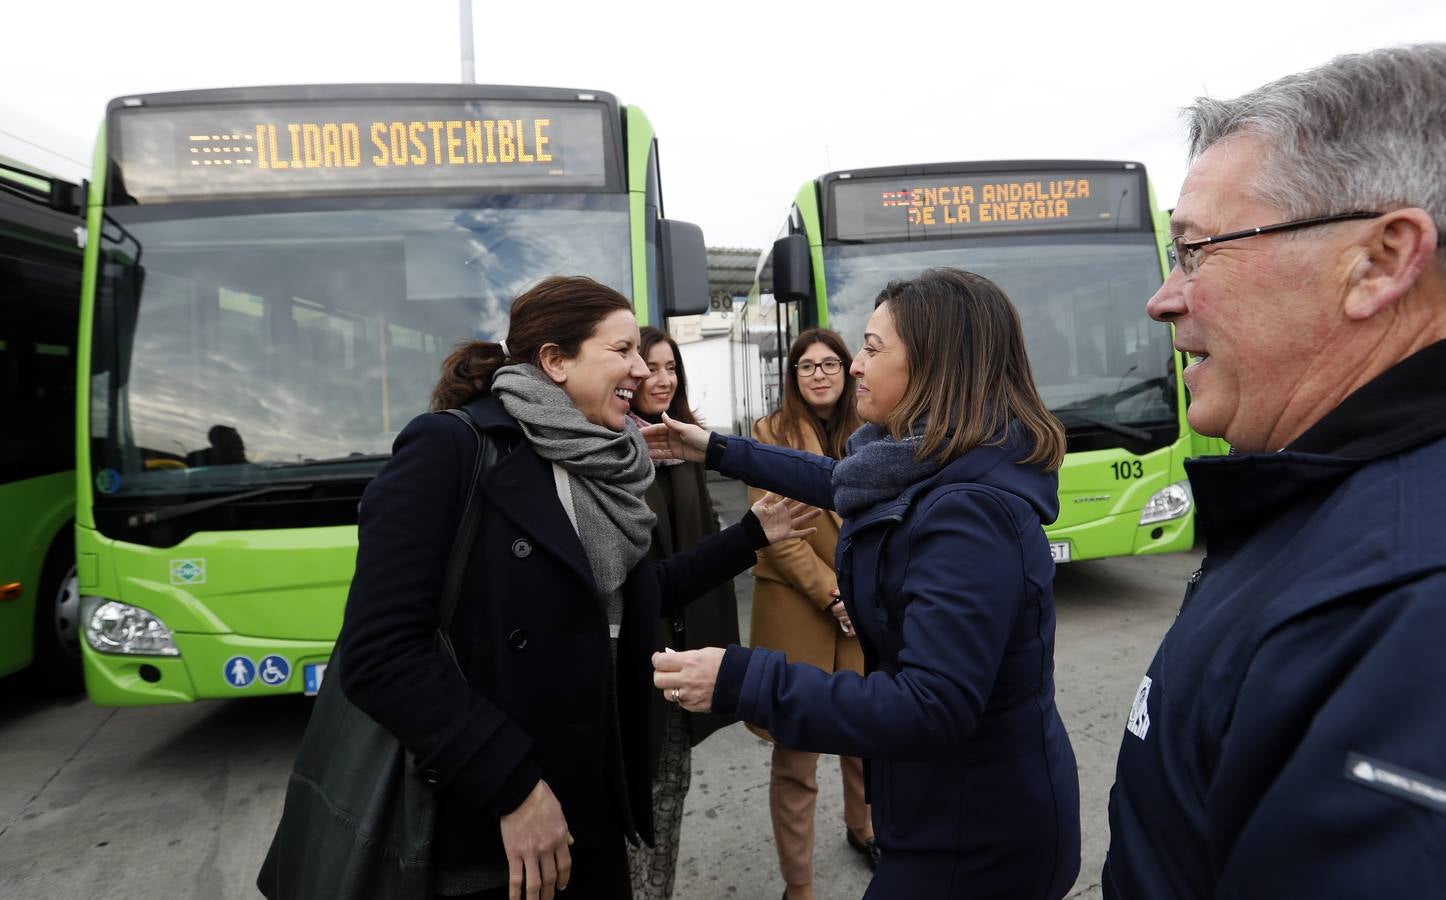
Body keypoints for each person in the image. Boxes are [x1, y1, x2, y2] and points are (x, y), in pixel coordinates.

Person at [330, 276, 818, 900]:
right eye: (622, 351)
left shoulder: (606, 461)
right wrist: (513, 785)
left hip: (594, 792)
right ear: (554, 361)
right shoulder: (451, 448)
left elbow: (639, 595)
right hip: (497, 816)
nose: (642, 370)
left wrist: (751, 534)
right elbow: (381, 654)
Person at [1097, 44, 1446, 899]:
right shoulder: (1327, 507)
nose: (1163, 297)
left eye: (1195, 250)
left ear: (1379, 262)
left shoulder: (1411, 597)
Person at [648, 268, 1082, 899]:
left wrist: (742, 679)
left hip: (978, 835)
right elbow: (839, 481)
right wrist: (716, 449)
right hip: (938, 807)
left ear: (936, 367)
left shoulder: (970, 510)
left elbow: (932, 706)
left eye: (873, 349)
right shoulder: (928, 460)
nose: (854, 366)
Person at [746, 328, 874, 900]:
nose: (819, 374)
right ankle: (798, 885)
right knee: (797, 758)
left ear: (847, 371)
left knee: (867, 739)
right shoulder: (769, 435)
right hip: (801, 608)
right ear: (793, 377)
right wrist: (833, 593)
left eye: (830, 364)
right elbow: (775, 533)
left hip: (864, 613)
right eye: (807, 366)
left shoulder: (876, 431)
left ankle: (865, 829)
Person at [623, 326, 740, 900]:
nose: (663, 378)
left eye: (672, 366)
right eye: (650, 366)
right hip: (630, 663)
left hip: (680, 654)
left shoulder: (685, 448)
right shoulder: (610, 451)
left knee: (670, 792)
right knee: (634, 803)